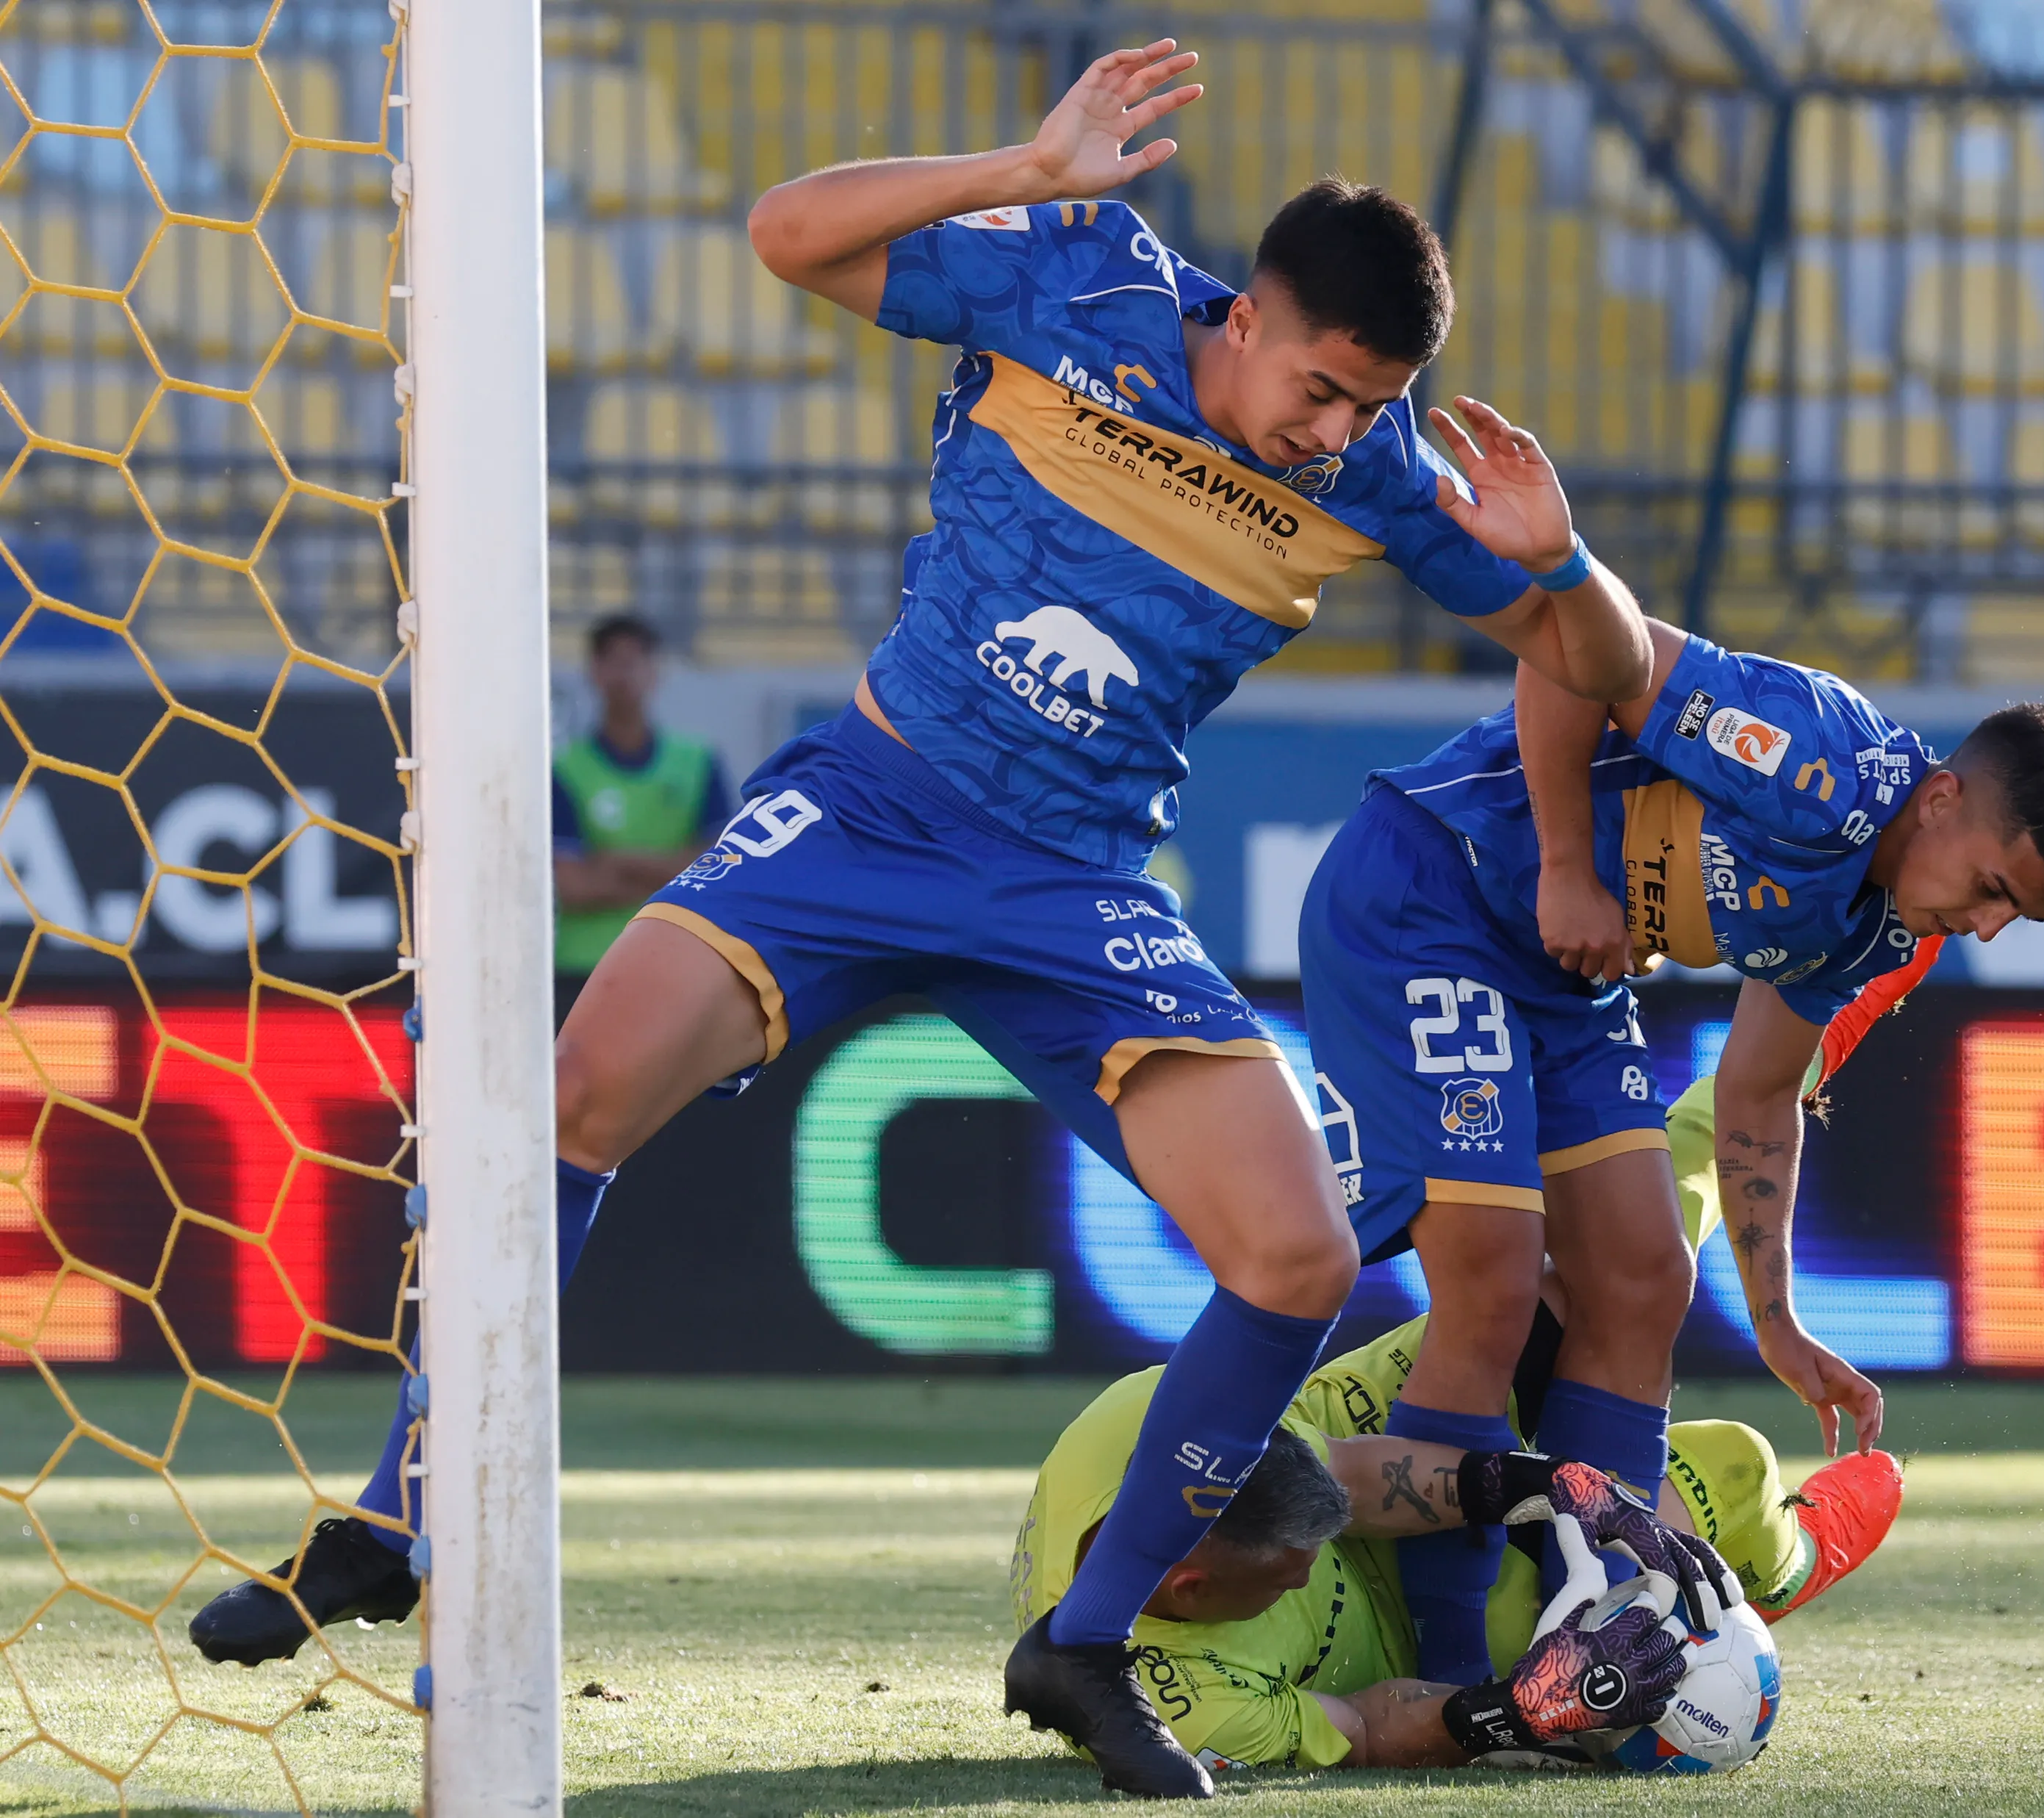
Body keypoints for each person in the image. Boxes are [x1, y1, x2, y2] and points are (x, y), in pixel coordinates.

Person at [185, 40, 1652, 1800]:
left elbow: (1599, 666)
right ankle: (398, 1519)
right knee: (565, 1101)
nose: (1335, 432)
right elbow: (785, 233)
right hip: (873, 807)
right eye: (1323, 388)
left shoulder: (1388, 474)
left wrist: (1563, 563)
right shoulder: (1078, 279)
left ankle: (1085, 1642)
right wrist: (1024, 170)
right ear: (1248, 313)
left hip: (1074, 889)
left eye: (1369, 404)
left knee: (1302, 1258)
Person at [1297, 611, 2044, 1683]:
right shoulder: (1813, 757)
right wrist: (1565, 867)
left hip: (1563, 974)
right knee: (1494, 1286)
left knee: (1643, 1277)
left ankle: (1590, 1649)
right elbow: (1571, 648)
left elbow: (1760, 1091)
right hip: (1432, 895)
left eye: (2017, 916)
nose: (1988, 927)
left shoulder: (1880, 926)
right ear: (1942, 798)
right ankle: (1445, 1682)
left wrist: (1777, 1323)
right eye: (1994, 888)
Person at [1012, 1296, 1905, 1772]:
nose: (1307, 1572)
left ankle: (1800, 1032)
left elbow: (1355, 1478)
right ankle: (1787, 1568)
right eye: (1288, 1572)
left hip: (1358, 1435)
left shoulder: (1152, 1412)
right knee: (1724, 1487)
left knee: (1573, 1284)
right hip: (1408, 1644)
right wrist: (1517, 1710)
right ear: (1189, 1585)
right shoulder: (1176, 1705)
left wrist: (1551, 1482)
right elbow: (1365, 1727)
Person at [553, 615, 739, 980]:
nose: (624, 674)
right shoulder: (565, 769)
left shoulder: (698, 762)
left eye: (634, 661)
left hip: (677, 960)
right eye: (613, 661)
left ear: (656, 671)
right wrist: (676, 872)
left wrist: (617, 861)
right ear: (594, 672)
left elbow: (719, 871)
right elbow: (574, 887)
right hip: (586, 968)